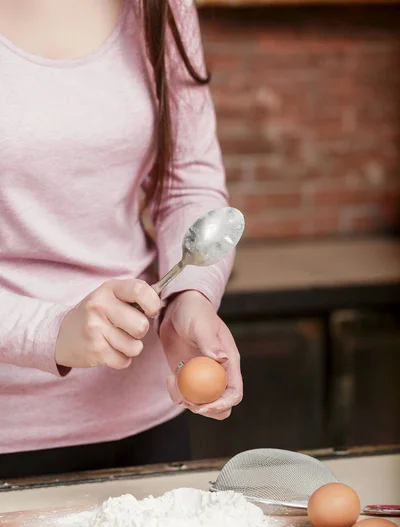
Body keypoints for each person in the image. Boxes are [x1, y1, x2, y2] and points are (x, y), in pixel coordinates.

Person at [0, 0, 243, 479]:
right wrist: (52, 331)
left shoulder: (160, 8)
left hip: (146, 422)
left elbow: (186, 180)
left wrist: (189, 296)